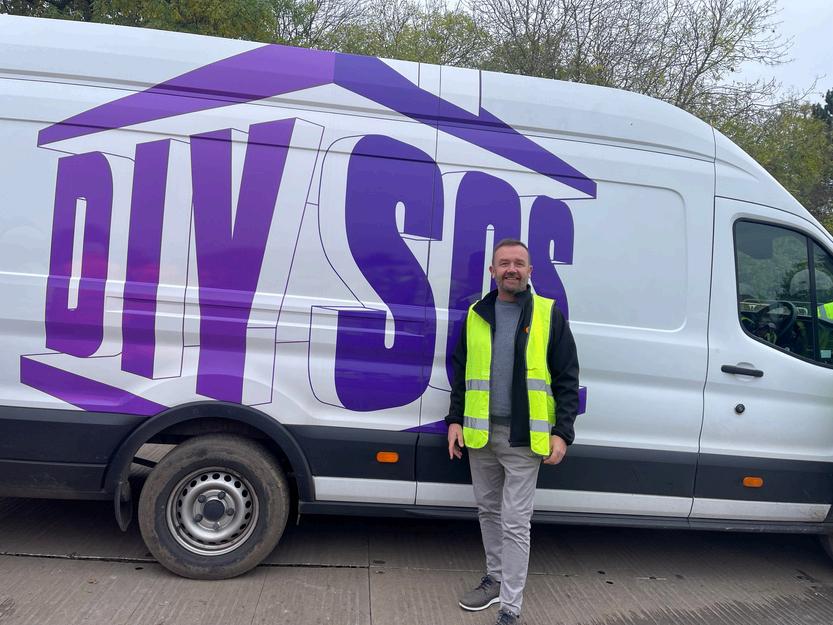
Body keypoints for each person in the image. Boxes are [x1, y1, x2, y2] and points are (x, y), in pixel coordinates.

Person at [445, 238, 579, 625]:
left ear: (530, 271)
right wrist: (455, 420)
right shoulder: (476, 314)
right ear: (492, 271)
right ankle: (495, 579)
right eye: (504, 263)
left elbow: (567, 378)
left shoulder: (548, 314)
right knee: (488, 512)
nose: (512, 269)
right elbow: (462, 373)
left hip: (524, 438)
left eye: (519, 263)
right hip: (480, 434)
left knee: (516, 522)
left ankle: (510, 606)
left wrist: (562, 432)